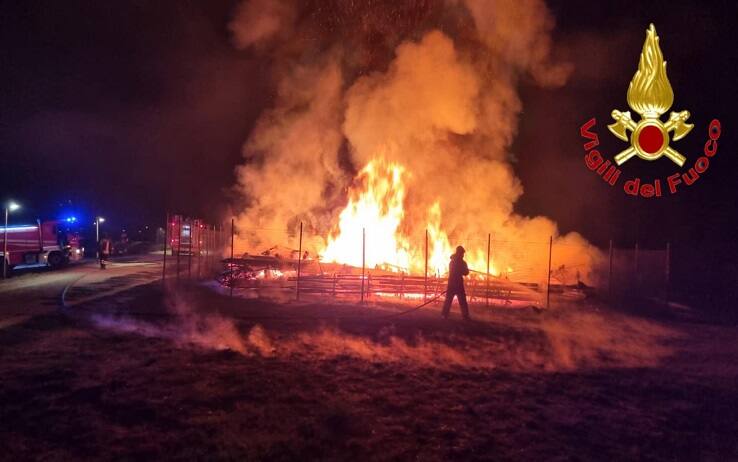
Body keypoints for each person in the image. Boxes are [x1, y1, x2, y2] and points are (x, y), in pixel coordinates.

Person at [442, 245, 470, 320]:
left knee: (448, 300)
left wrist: (464, 270)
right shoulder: (462, 263)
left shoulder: (452, 262)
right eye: (462, 253)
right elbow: (466, 273)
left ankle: (444, 315)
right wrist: (465, 270)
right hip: (458, 284)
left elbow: (457, 271)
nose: (463, 255)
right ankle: (465, 316)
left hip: (451, 284)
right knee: (462, 301)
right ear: (459, 253)